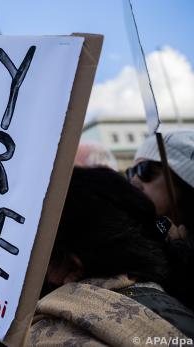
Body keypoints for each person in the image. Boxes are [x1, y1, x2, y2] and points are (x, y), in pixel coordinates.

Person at [30, 167, 194, 345]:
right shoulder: (181, 303)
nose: (32, 264)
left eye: (38, 251)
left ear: (72, 268)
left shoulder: (45, 336)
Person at [127, 129, 194, 310]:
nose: (133, 180)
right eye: (130, 171)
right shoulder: (150, 233)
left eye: (145, 170)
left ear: (183, 178)